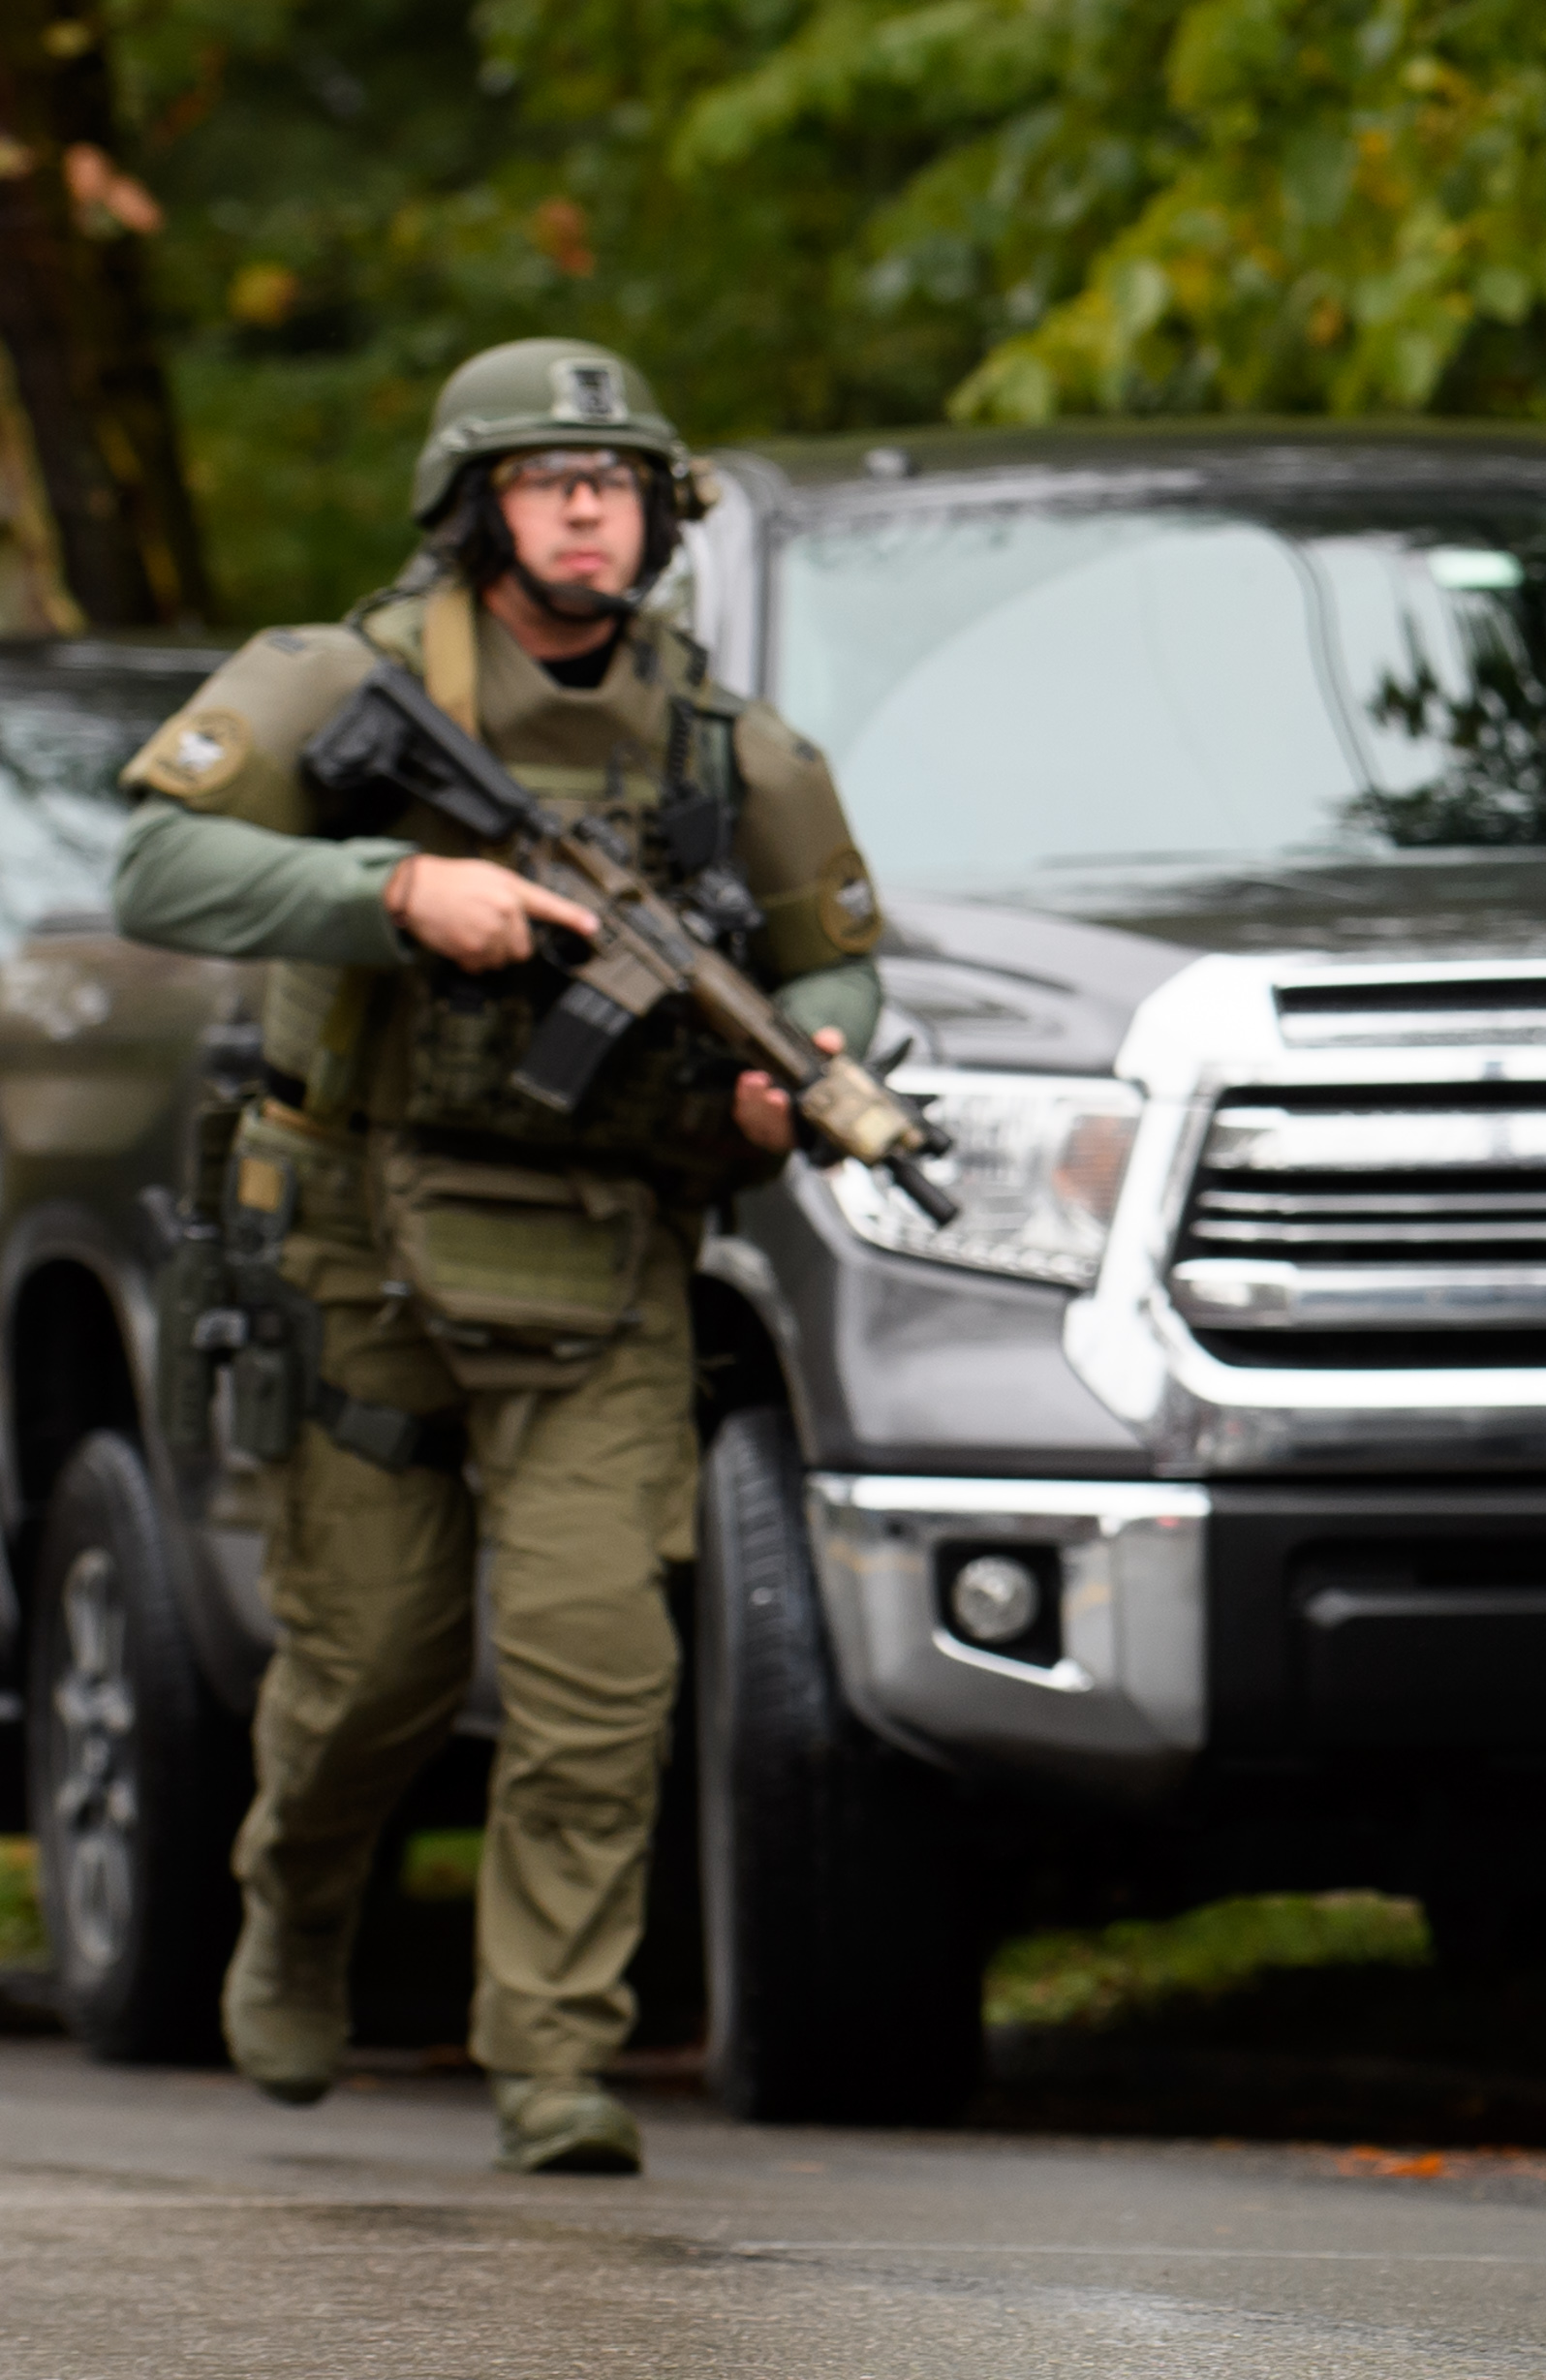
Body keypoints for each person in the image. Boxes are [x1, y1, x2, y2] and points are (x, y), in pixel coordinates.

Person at [109, 337, 885, 2175]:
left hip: (601, 1259)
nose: (589, 511)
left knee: (598, 1673)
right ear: (478, 509)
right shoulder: (341, 683)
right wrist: (391, 892)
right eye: (553, 481)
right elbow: (159, 868)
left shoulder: (724, 741)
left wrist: (820, 1066)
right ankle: (295, 1911)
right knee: (372, 1667)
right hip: (364, 1243)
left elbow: (831, 956)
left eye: (617, 485)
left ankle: (553, 2058)